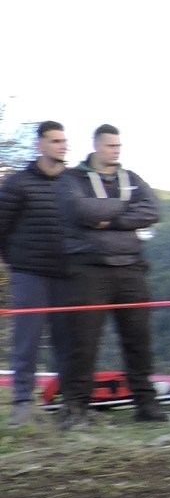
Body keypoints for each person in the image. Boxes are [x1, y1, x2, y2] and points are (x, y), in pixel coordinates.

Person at [61, 124, 166, 424]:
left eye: (119, 146)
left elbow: (152, 210)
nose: (116, 151)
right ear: (96, 146)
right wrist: (126, 209)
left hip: (131, 267)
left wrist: (111, 219)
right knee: (84, 342)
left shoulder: (131, 177)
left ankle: (146, 404)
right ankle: (76, 409)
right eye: (110, 146)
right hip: (89, 269)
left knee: (139, 339)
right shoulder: (72, 178)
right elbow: (80, 210)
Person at [0, 121, 74, 422]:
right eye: (55, 141)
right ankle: (22, 403)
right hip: (29, 273)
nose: (62, 146)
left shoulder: (74, 182)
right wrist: (15, 262)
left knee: (68, 341)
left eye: (64, 141)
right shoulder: (17, 183)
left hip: (68, 274)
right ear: (39, 145)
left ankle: (70, 403)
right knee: (27, 341)